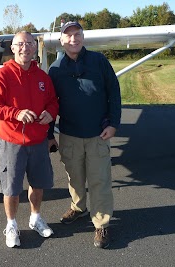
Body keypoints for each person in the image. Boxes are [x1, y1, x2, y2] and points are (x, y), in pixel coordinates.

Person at [48, 21, 121, 249]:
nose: (73, 39)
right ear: (61, 40)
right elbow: (50, 104)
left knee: (99, 180)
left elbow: (114, 92)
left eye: (77, 34)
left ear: (83, 37)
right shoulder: (56, 69)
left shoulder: (99, 61)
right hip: (69, 134)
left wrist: (114, 123)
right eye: (68, 36)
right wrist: (50, 134)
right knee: (74, 177)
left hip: (98, 134)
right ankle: (79, 208)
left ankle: (101, 223)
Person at [0, 31, 59, 248]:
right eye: (20, 44)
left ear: (35, 48)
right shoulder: (2, 76)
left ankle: (35, 218)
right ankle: (11, 224)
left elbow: (53, 102)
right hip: (12, 141)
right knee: (11, 188)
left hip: (38, 141)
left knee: (38, 184)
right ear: (13, 48)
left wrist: (50, 113)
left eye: (29, 43)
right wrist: (15, 113)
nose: (25, 47)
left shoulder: (43, 77)